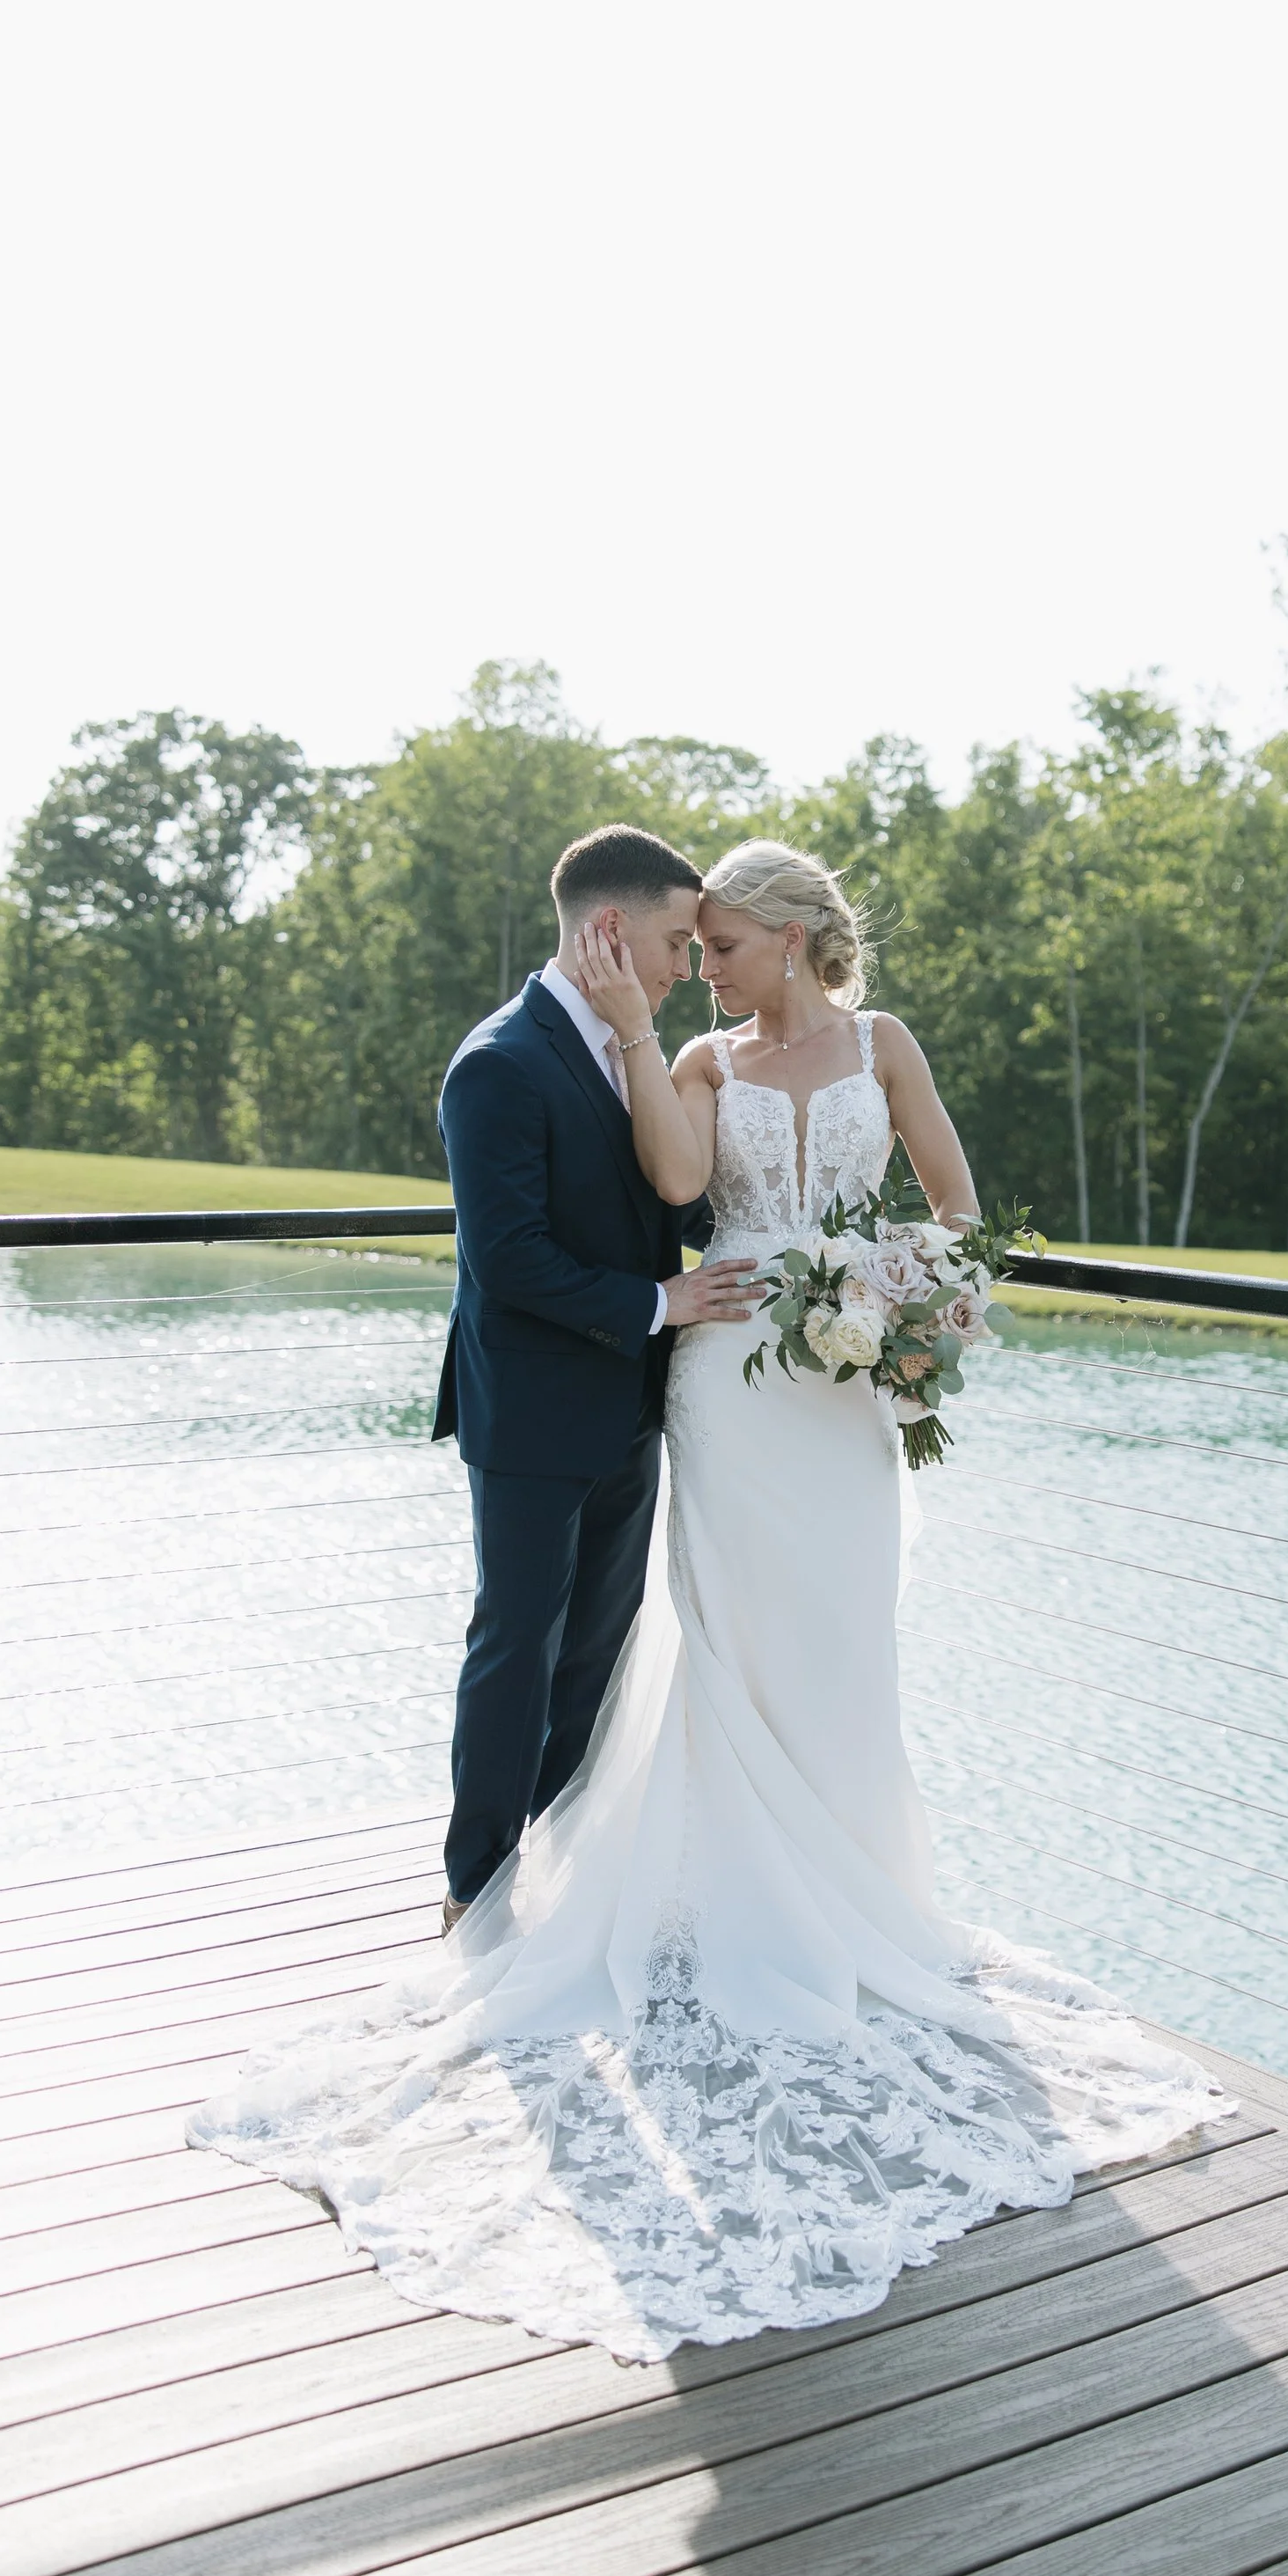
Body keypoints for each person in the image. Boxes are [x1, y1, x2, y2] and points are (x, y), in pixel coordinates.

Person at [192, 840, 1230, 2359]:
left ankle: (855, 1890)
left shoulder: (886, 1045)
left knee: (842, 1645)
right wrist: (637, 1043)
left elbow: (956, 1202)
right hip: (732, 1376)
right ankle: (642, 1895)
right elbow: (680, 1192)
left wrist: (901, 1304)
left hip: (848, 1399)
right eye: (698, 943)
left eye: (728, 944)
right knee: (717, 1645)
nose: (709, 964)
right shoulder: (679, 1053)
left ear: (800, 941)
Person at [425, 823, 760, 1926]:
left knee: (598, 1652)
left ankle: (560, 1868)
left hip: (631, 1404)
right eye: (674, 941)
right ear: (608, 929)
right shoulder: (498, 1064)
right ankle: (475, 1887)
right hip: (530, 1409)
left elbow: (681, 1198)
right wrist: (662, 1302)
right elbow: (510, 1260)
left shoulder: (637, 1055)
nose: (686, 967)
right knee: (517, 1646)